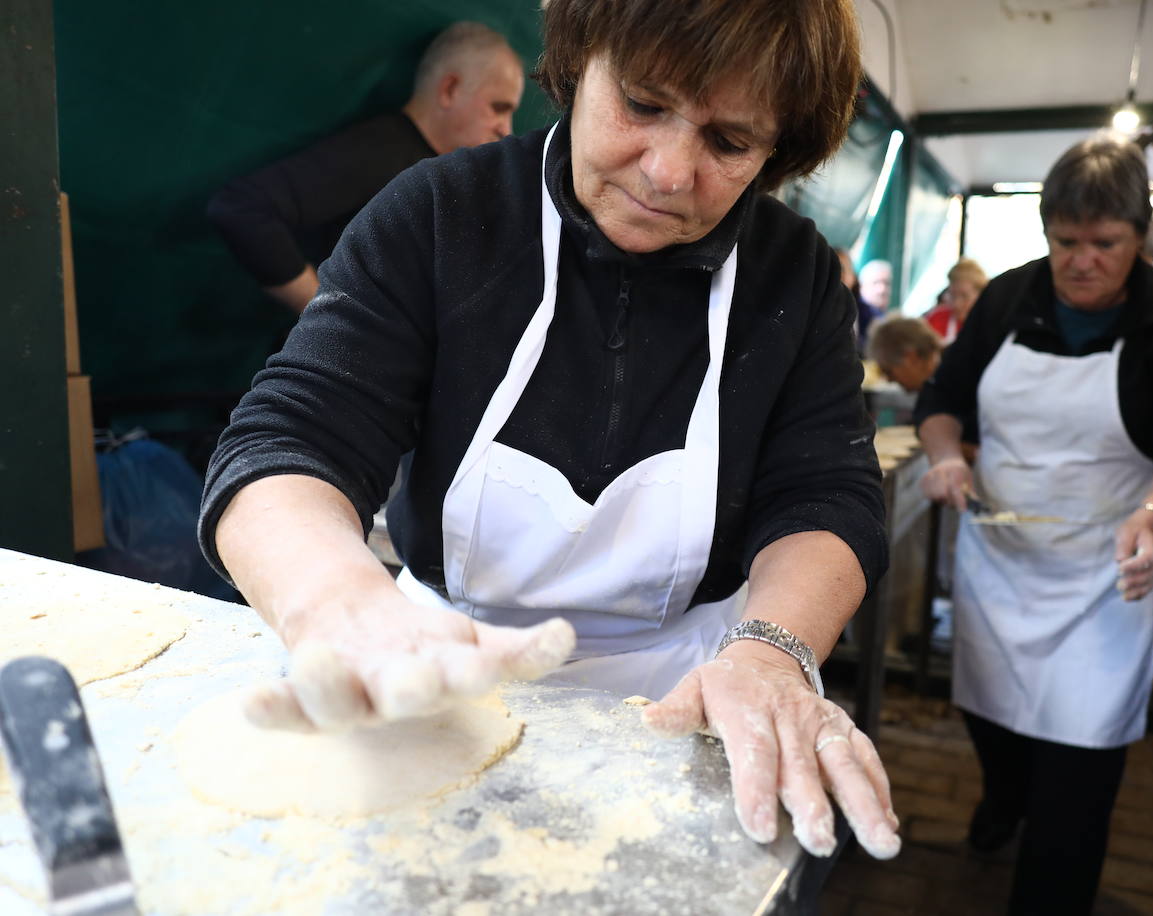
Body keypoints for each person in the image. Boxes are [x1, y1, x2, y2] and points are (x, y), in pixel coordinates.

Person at [198, 0, 901, 864]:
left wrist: (774, 652)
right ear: (576, 62)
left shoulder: (793, 273)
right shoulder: (440, 215)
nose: (670, 171)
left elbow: (825, 495)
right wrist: (335, 601)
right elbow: (290, 440)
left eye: (729, 143)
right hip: (438, 683)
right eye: (643, 105)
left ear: (777, 149)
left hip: (701, 695)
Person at [914, 135, 1153, 915]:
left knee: (1079, 770)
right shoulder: (1010, 297)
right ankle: (1001, 800)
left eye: (1104, 244)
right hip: (1002, 557)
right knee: (993, 718)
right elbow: (942, 402)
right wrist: (947, 457)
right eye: (1064, 242)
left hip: (1110, 569)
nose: (1082, 261)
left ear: (1140, 235)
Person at [206, 22, 525, 313]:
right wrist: (331, 317)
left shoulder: (431, 170)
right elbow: (242, 208)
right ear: (450, 89)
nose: (506, 130)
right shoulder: (379, 151)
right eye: (498, 108)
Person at [866, 316, 942, 393]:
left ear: (912, 358)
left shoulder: (949, 387)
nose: (889, 380)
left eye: (888, 372)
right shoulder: (939, 384)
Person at [923, 257, 988, 343]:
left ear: (981, 295)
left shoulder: (989, 324)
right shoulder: (935, 319)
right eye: (952, 295)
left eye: (964, 296)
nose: (957, 304)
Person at [855, 258, 892, 348]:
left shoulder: (884, 315)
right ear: (862, 286)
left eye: (886, 283)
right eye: (876, 283)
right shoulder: (855, 313)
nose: (882, 289)